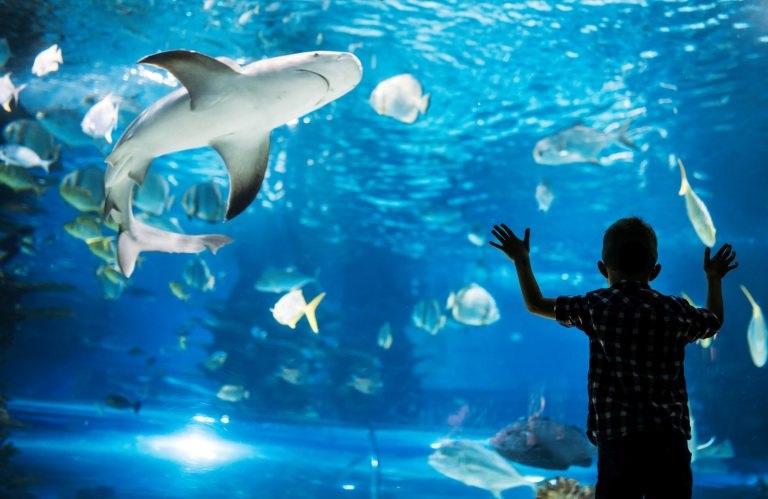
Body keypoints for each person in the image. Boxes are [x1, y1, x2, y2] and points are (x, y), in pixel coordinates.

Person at [489, 217, 738, 499]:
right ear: (655, 271)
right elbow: (713, 321)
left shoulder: (596, 306)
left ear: (602, 268)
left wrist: (521, 259)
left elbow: (536, 304)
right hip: (668, 441)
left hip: (618, 441)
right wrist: (714, 278)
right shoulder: (674, 310)